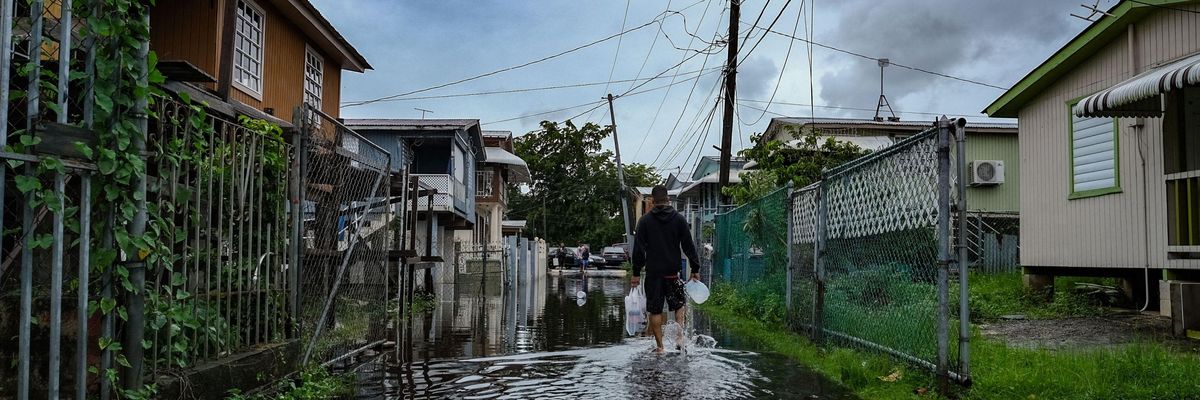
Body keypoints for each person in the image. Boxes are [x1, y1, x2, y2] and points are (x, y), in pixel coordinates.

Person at [631, 185, 700, 353]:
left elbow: (639, 250)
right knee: (679, 305)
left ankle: (660, 347)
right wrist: (695, 268)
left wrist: (635, 273)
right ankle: (679, 338)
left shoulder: (645, 221)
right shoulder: (679, 219)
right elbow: (688, 245)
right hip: (672, 273)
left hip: (654, 273)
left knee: (655, 309)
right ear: (668, 199)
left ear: (652, 201)